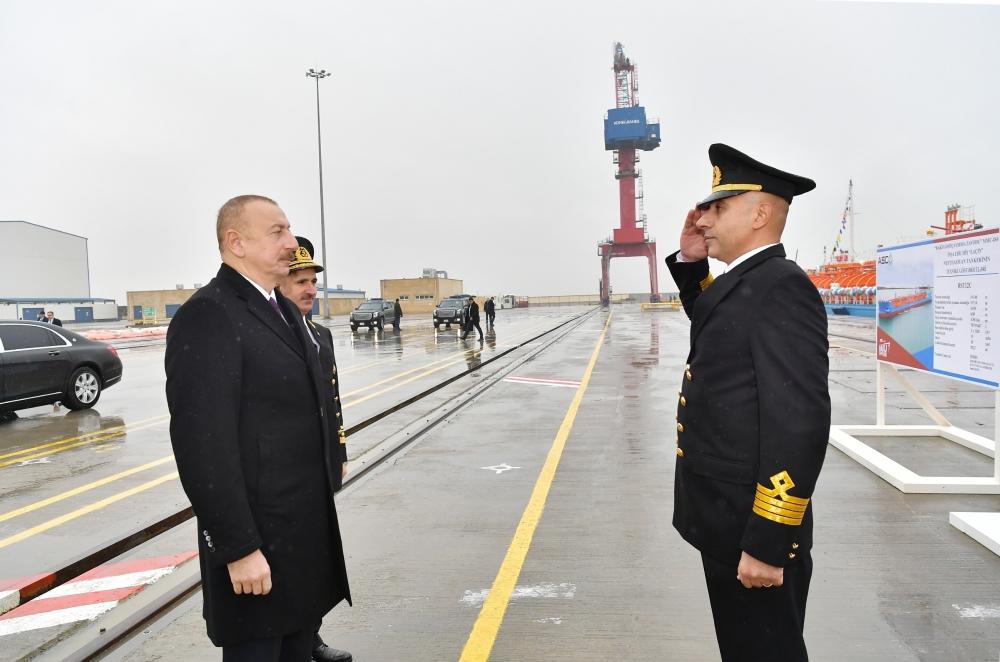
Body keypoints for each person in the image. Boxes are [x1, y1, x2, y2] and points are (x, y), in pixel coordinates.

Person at [165, 195, 351, 661]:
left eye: (289, 230)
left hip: (299, 540)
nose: (291, 243)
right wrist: (238, 548)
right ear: (236, 242)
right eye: (277, 232)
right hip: (258, 547)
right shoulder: (209, 314)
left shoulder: (284, 311)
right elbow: (202, 444)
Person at [666, 144, 830, 662]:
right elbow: (720, 327)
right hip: (726, 522)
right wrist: (692, 266)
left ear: (760, 213)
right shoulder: (748, 281)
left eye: (718, 207)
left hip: (751, 529)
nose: (703, 218)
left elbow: (798, 420)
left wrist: (768, 538)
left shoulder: (780, 286)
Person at [279, 236, 353, 662]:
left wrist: (338, 456)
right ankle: (296, 642)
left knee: (317, 557)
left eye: (312, 282)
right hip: (288, 473)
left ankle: (311, 636)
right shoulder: (276, 334)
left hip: (318, 469)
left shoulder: (321, 334)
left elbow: (333, 402)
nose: (309, 290)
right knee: (293, 561)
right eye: (300, 281)